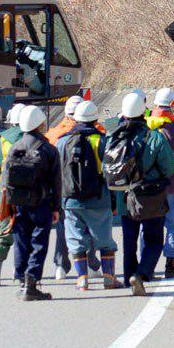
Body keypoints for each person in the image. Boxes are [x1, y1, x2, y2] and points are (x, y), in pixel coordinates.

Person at [107, 92, 174, 296]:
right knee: (154, 239)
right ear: (143, 112)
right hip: (151, 195)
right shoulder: (155, 137)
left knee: (130, 239)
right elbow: (169, 168)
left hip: (124, 197)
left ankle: (129, 277)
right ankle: (142, 274)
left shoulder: (114, 137)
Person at [57, 101, 121, 291]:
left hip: (70, 200)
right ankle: (109, 278)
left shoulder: (62, 142)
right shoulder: (103, 141)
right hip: (98, 199)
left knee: (76, 239)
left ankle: (82, 279)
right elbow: (112, 172)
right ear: (95, 119)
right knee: (105, 240)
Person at [3, 105, 61, 301]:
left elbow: (6, 180)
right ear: (39, 124)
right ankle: (32, 282)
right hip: (41, 203)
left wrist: (7, 207)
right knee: (39, 243)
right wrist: (56, 207)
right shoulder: (49, 150)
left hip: (18, 203)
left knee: (21, 241)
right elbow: (56, 182)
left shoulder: (14, 147)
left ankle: (21, 280)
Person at [45, 95, 99, 281]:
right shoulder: (97, 132)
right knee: (90, 226)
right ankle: (91, 265)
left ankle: (61, 265)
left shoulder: (53, 135)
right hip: (92, 188)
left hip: (63, 189)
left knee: (63, 228)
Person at [146, 87, 174, 278]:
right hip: (173, 186)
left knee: (148, 227)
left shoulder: (145, 126)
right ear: (172, 106)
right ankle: (170, 266)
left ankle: (146, 265)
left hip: (149, 187)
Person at [0, 102, 25, 286]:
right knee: (25, 232)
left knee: (5, 230)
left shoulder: (1, 141)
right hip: (28, 192)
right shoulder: (33, 139)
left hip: (6, 192)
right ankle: (19, 273)